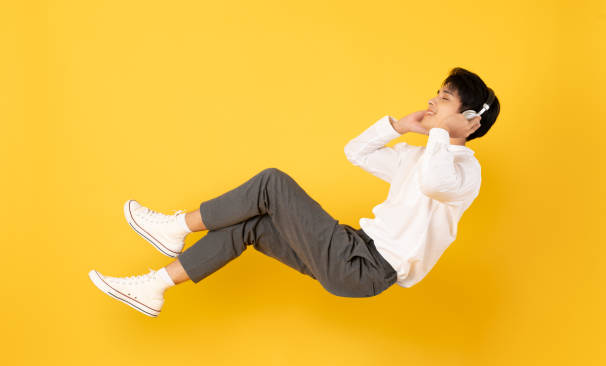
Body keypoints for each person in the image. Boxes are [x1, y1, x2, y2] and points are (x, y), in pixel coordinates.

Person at [88, 67, 500, 317]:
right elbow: (355, 152)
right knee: (249, 225)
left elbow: (435, 182)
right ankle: (155, 287)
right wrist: (399, 126)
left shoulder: (465, 172)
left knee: (272, 182)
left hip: (367, 267)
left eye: (443, 99)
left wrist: (442, 135)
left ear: (469, 119)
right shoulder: (417, 156)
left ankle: (177, 226)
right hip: (353, 248)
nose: (430, 102)